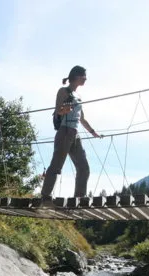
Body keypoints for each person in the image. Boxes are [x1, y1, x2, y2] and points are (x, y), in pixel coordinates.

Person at [39, 65, 102, 201]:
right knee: (56, 165)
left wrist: (93, 132)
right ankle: (45, 195)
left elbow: (82, 118)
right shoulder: (63, 91)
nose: (86, 78)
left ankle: (79, 198)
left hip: (75, 133)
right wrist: (64, 110)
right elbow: (58, 111)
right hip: (65, 131)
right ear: (77, 76)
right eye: (84, 76)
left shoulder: (78, 96)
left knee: (83, 167)